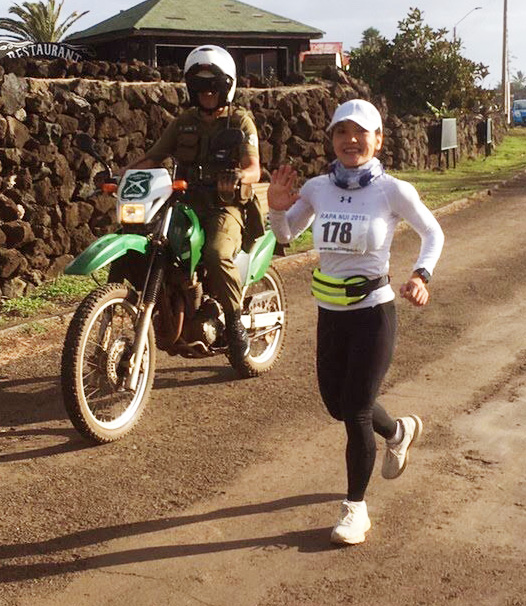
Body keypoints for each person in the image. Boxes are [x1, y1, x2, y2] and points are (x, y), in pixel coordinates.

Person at [268, 99, 444, 545]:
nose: (351, 140)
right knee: (338, 404)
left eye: (360, 132)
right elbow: (285, 234)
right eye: (341, 132)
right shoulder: (318, 188)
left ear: (378, 139)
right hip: (330, 315)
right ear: (331, 139)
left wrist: (421, 274)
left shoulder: (392, 190)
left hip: (373, 313)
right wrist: (275, 206)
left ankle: (355, 510)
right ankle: (399, 430)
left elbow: (432, 232)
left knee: (357, 410)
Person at [124, 45, 262, 364]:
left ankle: (235, 321)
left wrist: (239, 176)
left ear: (227, 87)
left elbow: (254, 167)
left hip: (224, 207)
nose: (207, 93)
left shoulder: (240, 122)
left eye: (213, 86)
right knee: (151, 244)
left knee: (215, 253)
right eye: (200, 86)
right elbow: (152, 157)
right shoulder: (184, 121)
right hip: (184, 204)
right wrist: (120, 174)